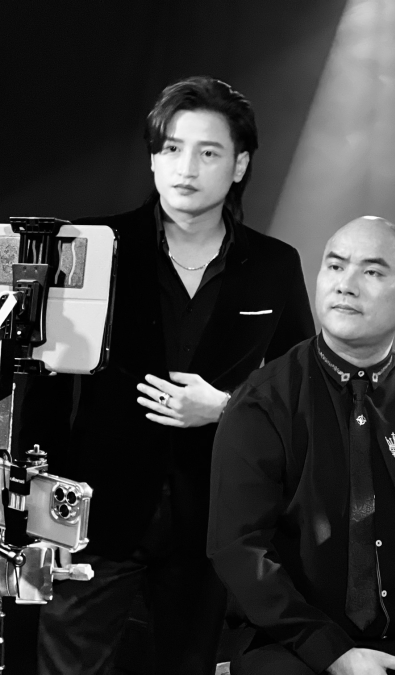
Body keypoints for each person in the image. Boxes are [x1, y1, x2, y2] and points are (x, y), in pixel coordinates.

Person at [18, 76, 316, 673]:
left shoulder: (274, 265)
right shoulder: (90, 245)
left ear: (239, 166)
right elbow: (42, 391)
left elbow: (303, 389)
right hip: (91, 517)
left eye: (209, 152)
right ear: (153, 158)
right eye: (172, 148)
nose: (186, 167)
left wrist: (225, 407)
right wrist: (40, 522)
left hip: (214, 523)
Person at [208, 216, 395, 675]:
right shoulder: (262, 401)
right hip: (292, 642)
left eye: (372, 271)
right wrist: (333, 654)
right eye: (335, 266)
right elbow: (239, 548)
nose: (346, 284)